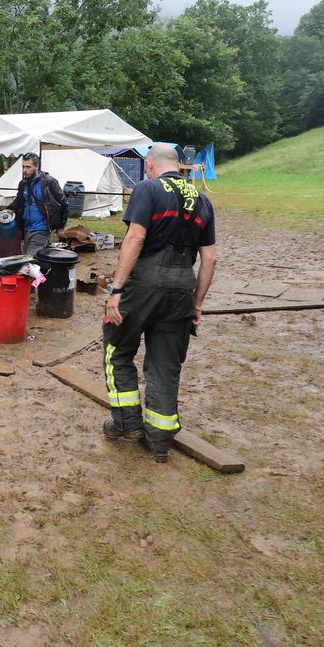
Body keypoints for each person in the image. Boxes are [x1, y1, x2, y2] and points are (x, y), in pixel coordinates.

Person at [100, 143, 218, 463]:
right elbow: (210, 258)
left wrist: (117, 289)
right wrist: (196, 304)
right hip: (182, 287)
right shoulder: (202, 201)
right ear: (178, 166)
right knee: (165, 364)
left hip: (144, 285)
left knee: (117, 348)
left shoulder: (147, 189)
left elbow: (135, 238)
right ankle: (160, 440)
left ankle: (127, 425)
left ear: (150, 164)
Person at [5, 152, 69, 257]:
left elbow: (63, 203)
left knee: (29, 261)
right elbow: (19, 201)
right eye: (23, 167)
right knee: (32, 261)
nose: (25, 170)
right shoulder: (23, 184)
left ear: (36, 166)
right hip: (26, 229)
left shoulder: (49, 182)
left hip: (41, 229)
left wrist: (61, 226)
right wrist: (6, 211)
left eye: (28, 167)